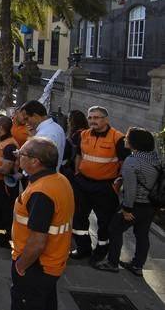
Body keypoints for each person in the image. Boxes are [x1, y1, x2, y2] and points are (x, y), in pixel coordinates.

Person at [11, 137, 74, 310]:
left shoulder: (42, 192)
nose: (18, 156)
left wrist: (20, 266)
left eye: (21, 154)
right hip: (50, 264)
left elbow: (38, 242)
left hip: (36, 266)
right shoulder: (59, 179)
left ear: (35, 161)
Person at [93, 127, 161, 276]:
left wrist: (127, 209)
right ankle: (137, 266)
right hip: (150, 205)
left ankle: (112, 263)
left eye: (127, 137)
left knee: (114, 229)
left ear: (135, 143)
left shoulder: (132, 161)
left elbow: (131, 188)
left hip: (135, 204)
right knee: (142, 235)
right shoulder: (154, 158)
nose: (124, 139)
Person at [70, 106, 130, 262]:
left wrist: (117, 184)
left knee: (104, 221)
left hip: (105, 187)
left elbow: (125, 164)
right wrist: (77, 174)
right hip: (83, 183)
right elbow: (78, 155)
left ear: (106, 119)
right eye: (90, 117)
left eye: (97, 117)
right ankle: (83, 248)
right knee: (79, 217)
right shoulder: (82, 135)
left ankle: (101, 250)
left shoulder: (118, 138)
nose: (92, 121)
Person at [0, 116, 19, 248]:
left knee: (4, 212)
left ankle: (3, 238)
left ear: (0, 128)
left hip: (5, 185)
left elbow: (6, 169)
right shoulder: (1, 141)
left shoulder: (9, 145)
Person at [18, 100, 66, 169]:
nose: (26, 123)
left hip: (41, 175)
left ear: (35, 116)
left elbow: (32, 159)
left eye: (27, 119)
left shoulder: (44, 135)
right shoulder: (57, 127)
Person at [61, 110, 88, 181]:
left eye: (68, 119)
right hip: (85, 169)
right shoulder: (88, 133)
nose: (67, 121)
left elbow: (64, 155)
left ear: (72, 122)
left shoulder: (75, 137)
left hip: (74, 169)